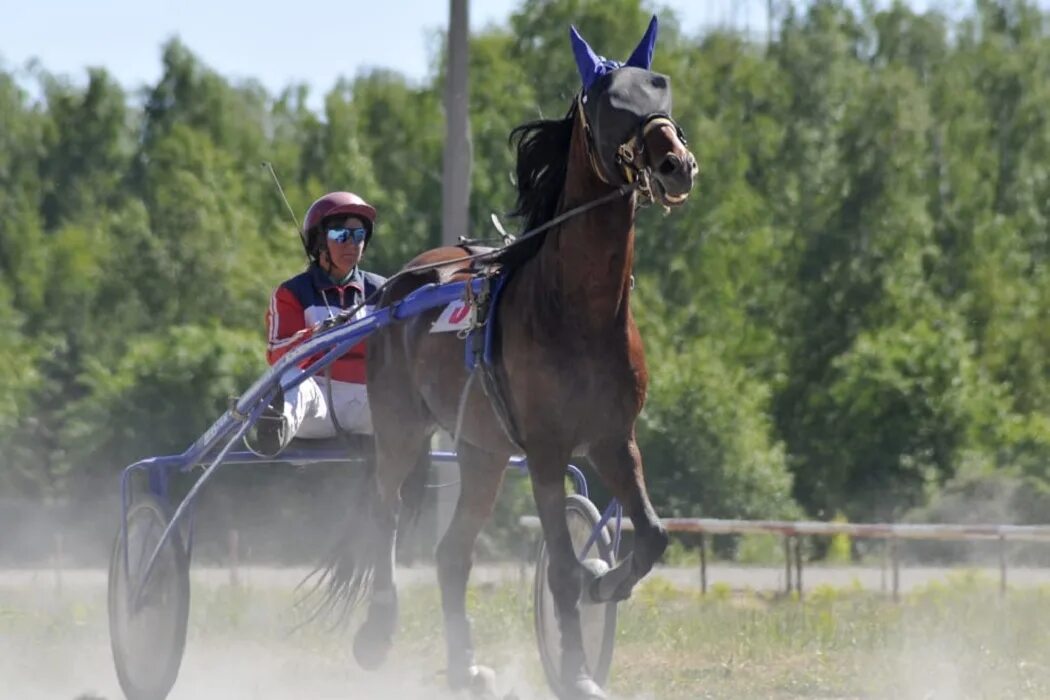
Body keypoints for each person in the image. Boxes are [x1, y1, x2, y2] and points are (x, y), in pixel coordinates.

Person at [245, 191, 387, 458]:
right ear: (320, 241)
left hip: (369, 406)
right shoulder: (292, 293)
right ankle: (274, 430)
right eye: (341, 235)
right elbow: (278, 355)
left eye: (358, 235)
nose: (352, 244)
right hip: (317, 404)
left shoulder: (383, 290)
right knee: (290, 377)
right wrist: (318, 334)